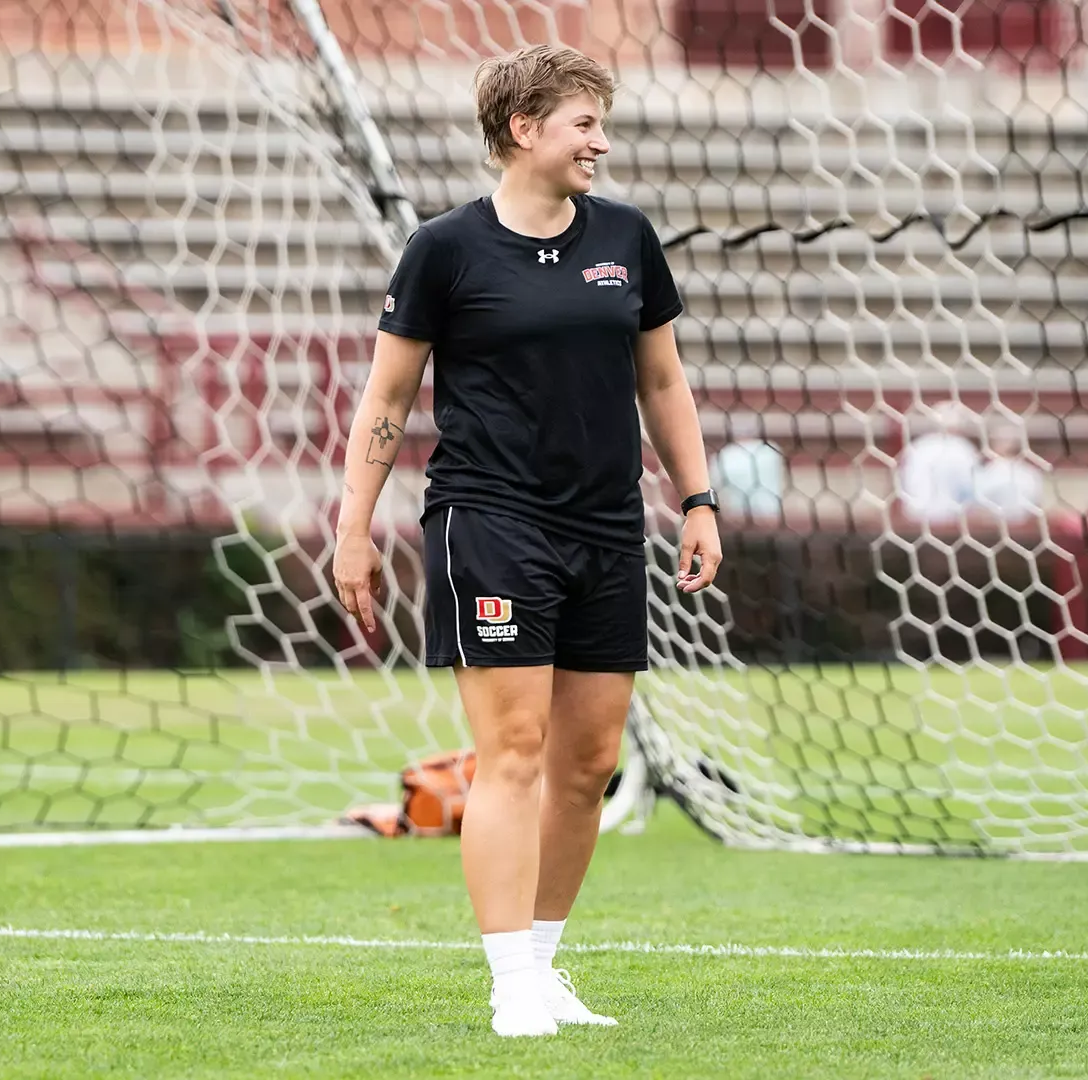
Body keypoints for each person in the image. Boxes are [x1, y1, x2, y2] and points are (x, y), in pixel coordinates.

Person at [330, 44, 723, 1038]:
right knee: (512, 750)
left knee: (588, 762)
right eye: (583, 122)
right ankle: (508, 980)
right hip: (489, 523)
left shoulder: (628, 240)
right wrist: (353, 529)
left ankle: (543, 967)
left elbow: (663, 382)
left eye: (601, 121)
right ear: (522, 130)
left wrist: (700, 500)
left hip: (605, 528)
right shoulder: (444, 251)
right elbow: (386, 399)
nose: (602, 139)